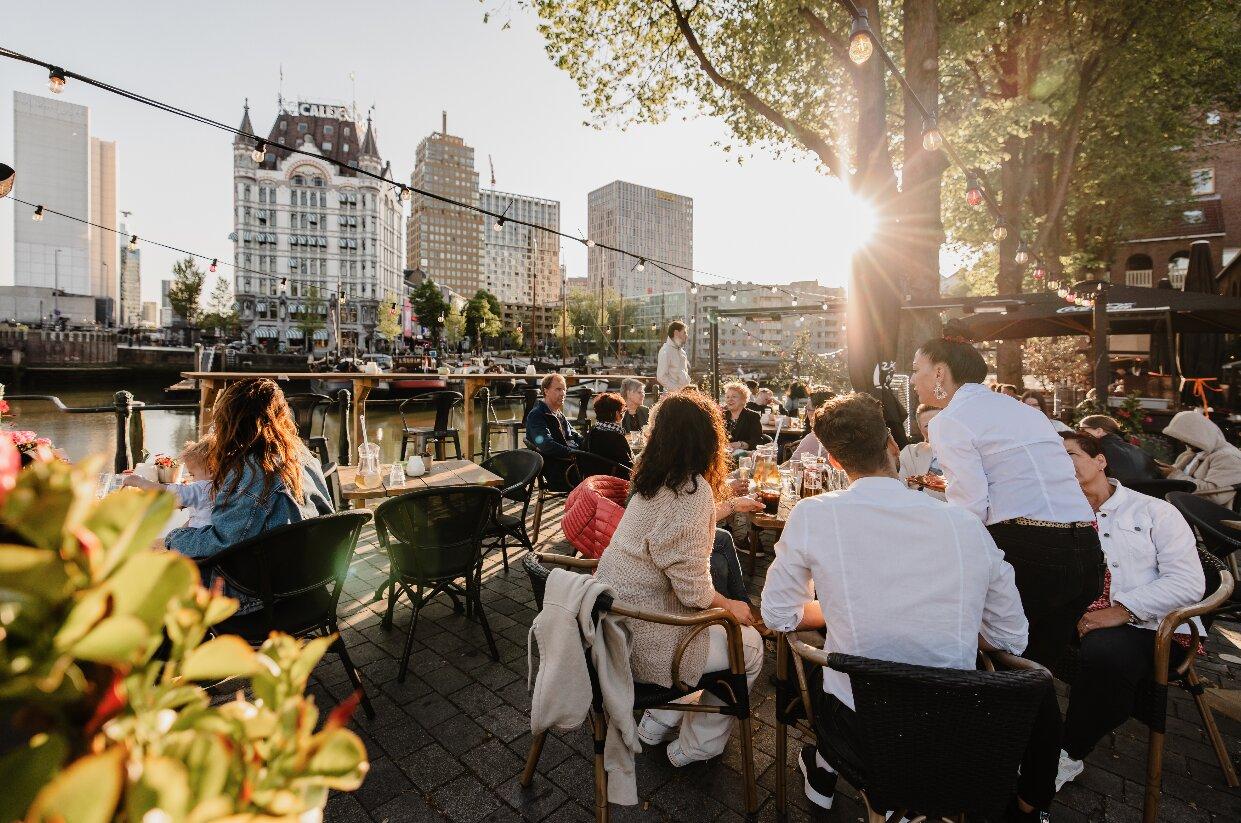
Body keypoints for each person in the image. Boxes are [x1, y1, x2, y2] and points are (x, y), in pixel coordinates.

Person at [761, 393, 1028, 813]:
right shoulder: (965, 525)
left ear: (832, 461)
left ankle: (824, 766)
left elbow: (777, 614)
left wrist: (851, 610)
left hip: (859, 727)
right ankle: (829, 769)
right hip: (956, 722)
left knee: (806, 672)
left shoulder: (813, 515)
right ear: (891, 444)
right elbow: (1012, 637)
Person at [911, 333, 1101, 820]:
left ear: (940, 373)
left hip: (1034, 554)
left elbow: (969, 507)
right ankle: (1030, 794)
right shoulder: (1021, 410)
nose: (911, 380)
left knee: (1016, 676)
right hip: (1085, 551)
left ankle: (1003, 788)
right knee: (1036, 676)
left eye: (916, 369)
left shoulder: (951, 419)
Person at [596, 391, 764, 766]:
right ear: (706, 438)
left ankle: (658, 720)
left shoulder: (651, 479)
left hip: (615, 626)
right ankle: (695, 745)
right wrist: (732, 606)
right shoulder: (692, 489)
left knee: (717, 633)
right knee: (749, 645)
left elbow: (676, 531)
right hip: (649, 643)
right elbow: (694, 593)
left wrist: (730, 506)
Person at [1055, 431, 1205, 791]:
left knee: (1106, 656)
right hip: (1072, 615)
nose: (1062, 464)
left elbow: (1188, 583)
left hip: (1148, 624)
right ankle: (1008, 738)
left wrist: (1122, 610)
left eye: (1071, 454)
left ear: (1100, 460)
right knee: (998, 637)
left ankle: (1067, 753)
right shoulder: (1055, 512)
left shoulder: (1154, 511)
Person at [165, 379, 333, 613]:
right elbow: (328, 515)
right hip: (309, 579)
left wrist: (174, 537)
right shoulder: (303, 456)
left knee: (157, 578)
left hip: (262, 595)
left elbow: (221, 542)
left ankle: (180, 645)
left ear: (232, 423)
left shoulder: (252, 473)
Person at [123, 437, 216, 527]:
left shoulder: (204, 488)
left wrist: (140, 482)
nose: (193, 480)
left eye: (193, 475)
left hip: (198, 537)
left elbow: (169, 492)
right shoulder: (220, 486)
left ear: (211, 471)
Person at [1160, 410, 1241, 508]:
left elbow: (1215, 495)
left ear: (1198, 434)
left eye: (1185, 437)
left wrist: (1174, 475)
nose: (1182, 441)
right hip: (1183, 509)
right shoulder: (1193, 453)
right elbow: (1177, 473)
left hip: (1203, 518)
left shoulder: (1227, 457)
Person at [1077, 414, 1161, 483]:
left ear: (1099, 431)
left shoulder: (1097, 452)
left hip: (1117, 498)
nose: (1079, 434)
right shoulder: (1139, 451)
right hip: (1145, 498)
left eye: (1082, 430)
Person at [524, 373, 582, 459]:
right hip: (556, 464)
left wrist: (589, 443)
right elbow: (545, 445)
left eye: (564, 390)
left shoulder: (558, 414)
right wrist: (573, 453)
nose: (563, 394)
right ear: (546, 391)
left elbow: (574, 435)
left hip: (568, 459)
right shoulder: (537, 415)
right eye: (558, 389)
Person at [897, 404, 945, 500]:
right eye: (927, 425)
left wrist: (919, 487)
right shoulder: (910, 453)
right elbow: (900, 490)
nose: (934, 428)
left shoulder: (965, 452)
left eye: (938, 421)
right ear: (921, 431)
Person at [580, 392, 633, 471]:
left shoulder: (591, 431)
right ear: (617, 413)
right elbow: (629, 465)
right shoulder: (617, 437)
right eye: (622, 412)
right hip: (614, 479)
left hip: (591, 477)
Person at [721, 382, 763, 452]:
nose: (730, 399)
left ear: (743, 400)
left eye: (734, 396)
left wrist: (740, 444)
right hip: (724, 455)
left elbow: (757, 441)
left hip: (743, 457)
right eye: (727, 397)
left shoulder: (752, 416)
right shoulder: (722, 416)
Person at [656, 320, 692, 393]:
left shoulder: (682, 352)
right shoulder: (665, 351)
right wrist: (678, 391)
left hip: (684, 395)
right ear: (676, 333)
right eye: (684, 332)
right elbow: (661, 377)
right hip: (672, 397)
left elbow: (684, 374)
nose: (686, 335)